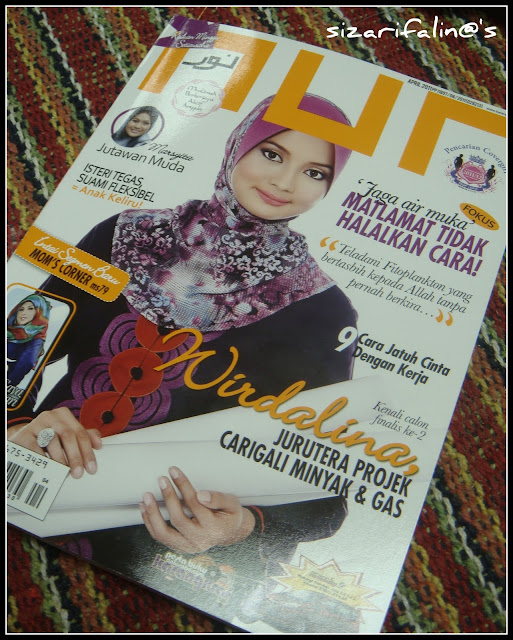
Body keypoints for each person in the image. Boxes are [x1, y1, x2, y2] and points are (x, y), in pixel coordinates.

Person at [7, 94, 358, 610]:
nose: (285, 183)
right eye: (273, 154)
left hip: (155, 560)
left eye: (314, 173)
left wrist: (244, 526)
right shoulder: (122, 235)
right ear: (238, 145)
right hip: (31, 485)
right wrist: (16, 425)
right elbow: (23, 338)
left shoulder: (323, 312)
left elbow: (324, 490)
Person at [7, 293, 51, 387]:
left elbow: (28, 361)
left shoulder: (36, 340)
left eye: (30, 309)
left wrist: (10, 382)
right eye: (21, 309)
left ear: (39, 312)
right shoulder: (9, 326)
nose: (23, 313)